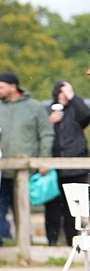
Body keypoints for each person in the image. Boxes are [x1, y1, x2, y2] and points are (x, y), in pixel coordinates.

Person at [0, 71, 53, 245]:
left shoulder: (34, 107)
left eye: (0, 87)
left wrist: (43, 159)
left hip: (25, 170)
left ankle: (25, 247)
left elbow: (46, 134)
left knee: (21, 211)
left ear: (13, 87)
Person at [46, 80, 90, 245]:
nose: (64, 96)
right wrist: (49, 122)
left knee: (74, 208)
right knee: (53, 207)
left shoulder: (76, 110)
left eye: (67, 93)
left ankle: (73, 241)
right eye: (61, 93)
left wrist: (73, 97)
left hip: (76, 166)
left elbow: (86, 116)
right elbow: (41, 133)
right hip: (54, 168)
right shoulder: (47, 111)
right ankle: (52, 241)